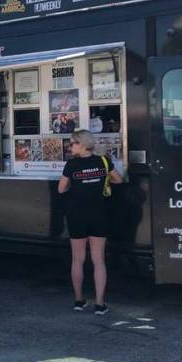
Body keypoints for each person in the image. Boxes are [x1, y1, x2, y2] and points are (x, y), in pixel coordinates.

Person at [58, 130, 123, 315]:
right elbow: (118, 179)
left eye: (72, 144)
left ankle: (79, 301)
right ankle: (100, 304)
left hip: (76, 215)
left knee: (77, 259)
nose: (70, 147)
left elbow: (61, 189)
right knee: (98, 260)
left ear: (82, 144)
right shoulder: (103, 161)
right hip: (98, 214)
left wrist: (77, 184)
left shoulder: (71, 164)